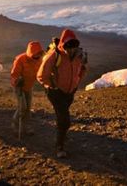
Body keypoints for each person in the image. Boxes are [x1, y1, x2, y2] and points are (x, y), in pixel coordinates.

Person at [37, 29, 88, 158]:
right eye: (68, 45)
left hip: (69, 92)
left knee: (63, 114)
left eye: (73, 45)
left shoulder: (79, 56)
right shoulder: (55, 55)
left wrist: (76, 84)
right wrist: (52, 86)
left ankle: (62, 134)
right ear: (63, 44)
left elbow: (80, 71)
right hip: (56, 92)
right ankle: (59, 146)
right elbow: (41, 75)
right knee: (64, 119)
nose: (71, 48)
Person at [10, 41, 44, 135]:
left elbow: (41, 73)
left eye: (39, 54)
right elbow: (14, 74)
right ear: (30, 53)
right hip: (19, 86)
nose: (37, 56)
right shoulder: (20, 59)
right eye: (35, 54)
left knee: (28, 108)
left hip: (29, 86)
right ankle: (15, 125)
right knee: (22, 107)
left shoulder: (39, 60)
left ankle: (25, 127)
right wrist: (17, 81)